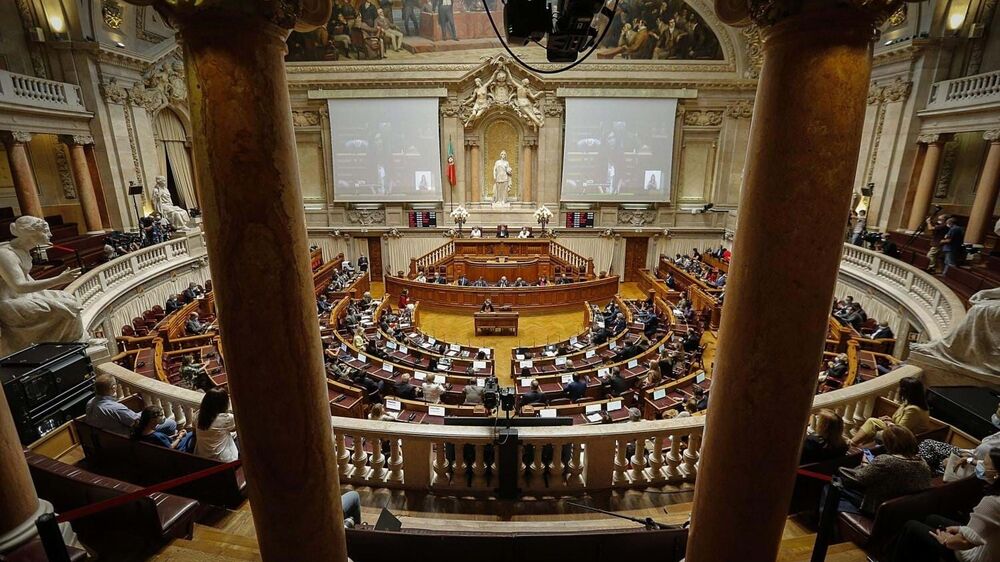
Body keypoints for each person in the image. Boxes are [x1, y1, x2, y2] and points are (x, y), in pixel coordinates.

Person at [890, 447, 1000, 562]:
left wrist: (947, 539)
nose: (980, 466)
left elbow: (965, 542)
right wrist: (960, 529)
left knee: (911, 526)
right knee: (932, 519)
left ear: (996, 474)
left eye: (985, 465)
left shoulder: (992, 503)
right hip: (987, 544)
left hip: (976, 557)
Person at [837, 425, 931, 515]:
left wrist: (864, 464)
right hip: (907, 509)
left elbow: (859, 478)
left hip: (879, 508)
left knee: (835, 482)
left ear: (888, 444)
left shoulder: (886, 461)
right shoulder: (923, 463)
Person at [86, 374, 177, 436]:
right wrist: (147, 413)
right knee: (171, 424)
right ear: (113, 388)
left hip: (105, 439)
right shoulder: (115, 408)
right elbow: (138, 422)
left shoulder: (90, 403)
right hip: (126, 439)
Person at [850, 376, 930, 446]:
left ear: (905, 390)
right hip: (899, 432)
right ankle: (858, 446)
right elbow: (900, 423)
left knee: (872, 423)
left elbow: (900, 430)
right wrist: (889, 420)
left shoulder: (913, 410)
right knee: (872, 423)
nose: (898, 389)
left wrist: (888, 423)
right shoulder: (909, 403)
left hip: (904, 439)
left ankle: (852, 444)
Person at [194, 388, 239, 462]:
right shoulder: (227, 418)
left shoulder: (197, 415)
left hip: (203, 456)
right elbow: (235, 428)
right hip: (224, 460)